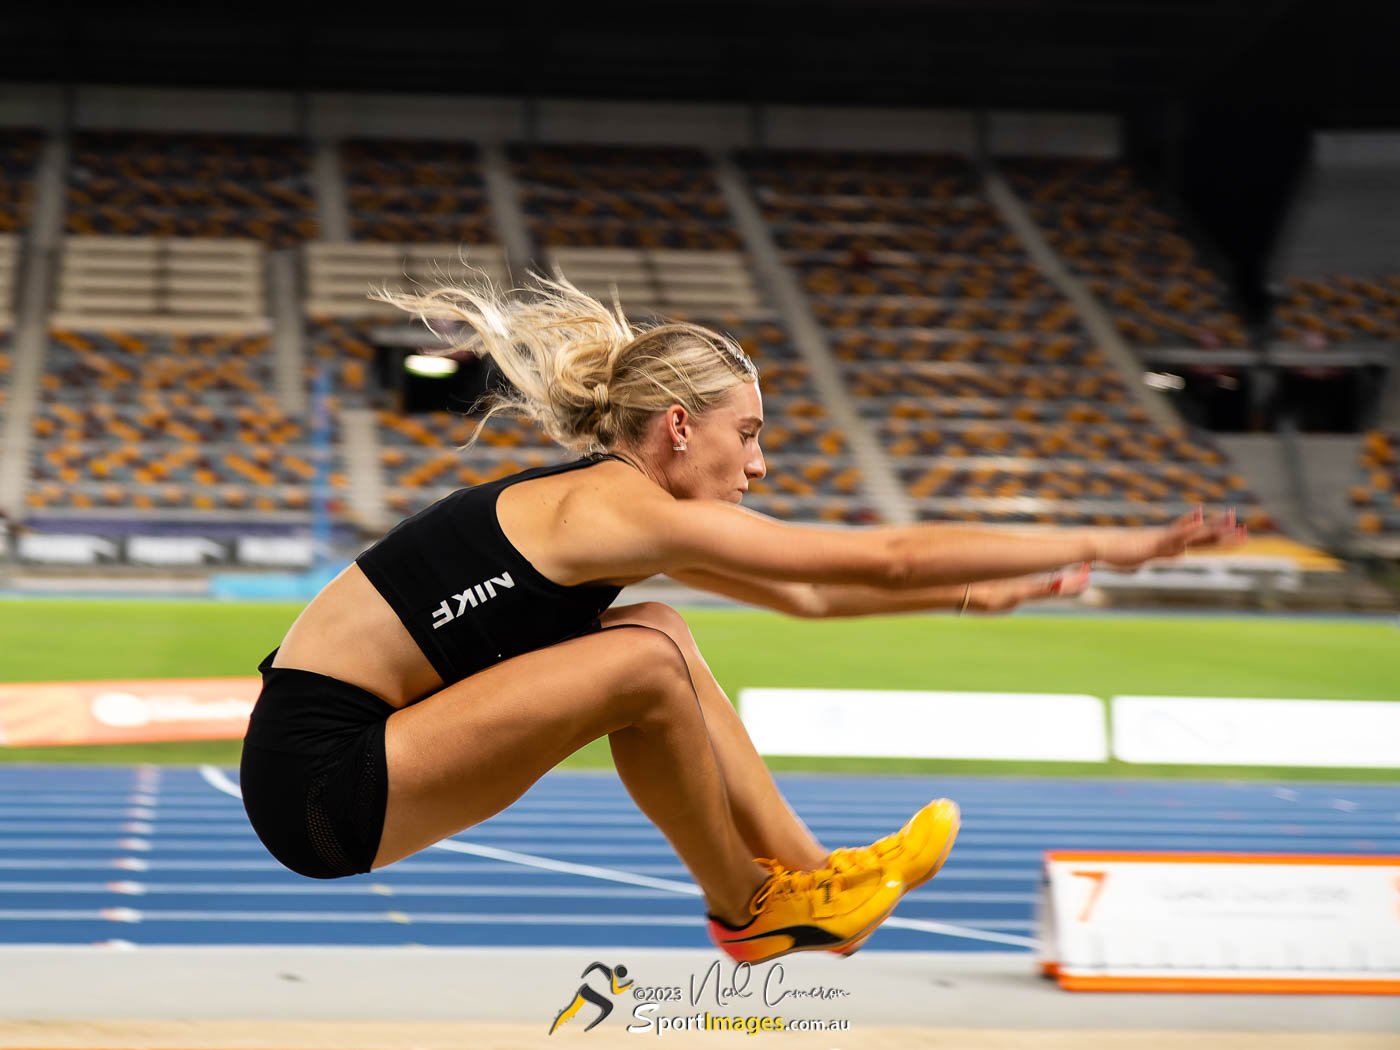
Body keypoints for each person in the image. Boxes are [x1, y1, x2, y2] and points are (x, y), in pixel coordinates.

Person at [238, 275, 1247, 964]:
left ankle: (809, 882)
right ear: (678, 428)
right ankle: (750, 910)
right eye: (747, 435)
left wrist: (964, 591)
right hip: (322, 785)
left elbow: (808, 593)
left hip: (362, 760)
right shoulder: (612, 508)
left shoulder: (617, 515)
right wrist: (1118, 542)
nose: (757, 466)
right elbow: (881, 552)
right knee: (640, 663)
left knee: (661, 636)